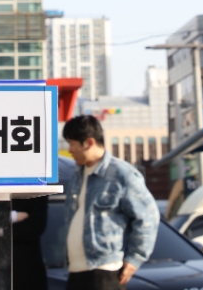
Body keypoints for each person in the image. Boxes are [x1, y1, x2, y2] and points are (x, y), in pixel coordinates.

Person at [61, 115, 158, 289]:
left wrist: (135, 259)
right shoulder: (77, 175)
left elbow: (148, 216)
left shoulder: (122, 174)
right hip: (76, 271)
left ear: (89, 142)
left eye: (72, 143)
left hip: (105, 272)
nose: (70, 150)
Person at [11, 195, 49, 290]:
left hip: (28, 270)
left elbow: (35, 226)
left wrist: (0, 230)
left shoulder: (37, 190)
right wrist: (14, 216)